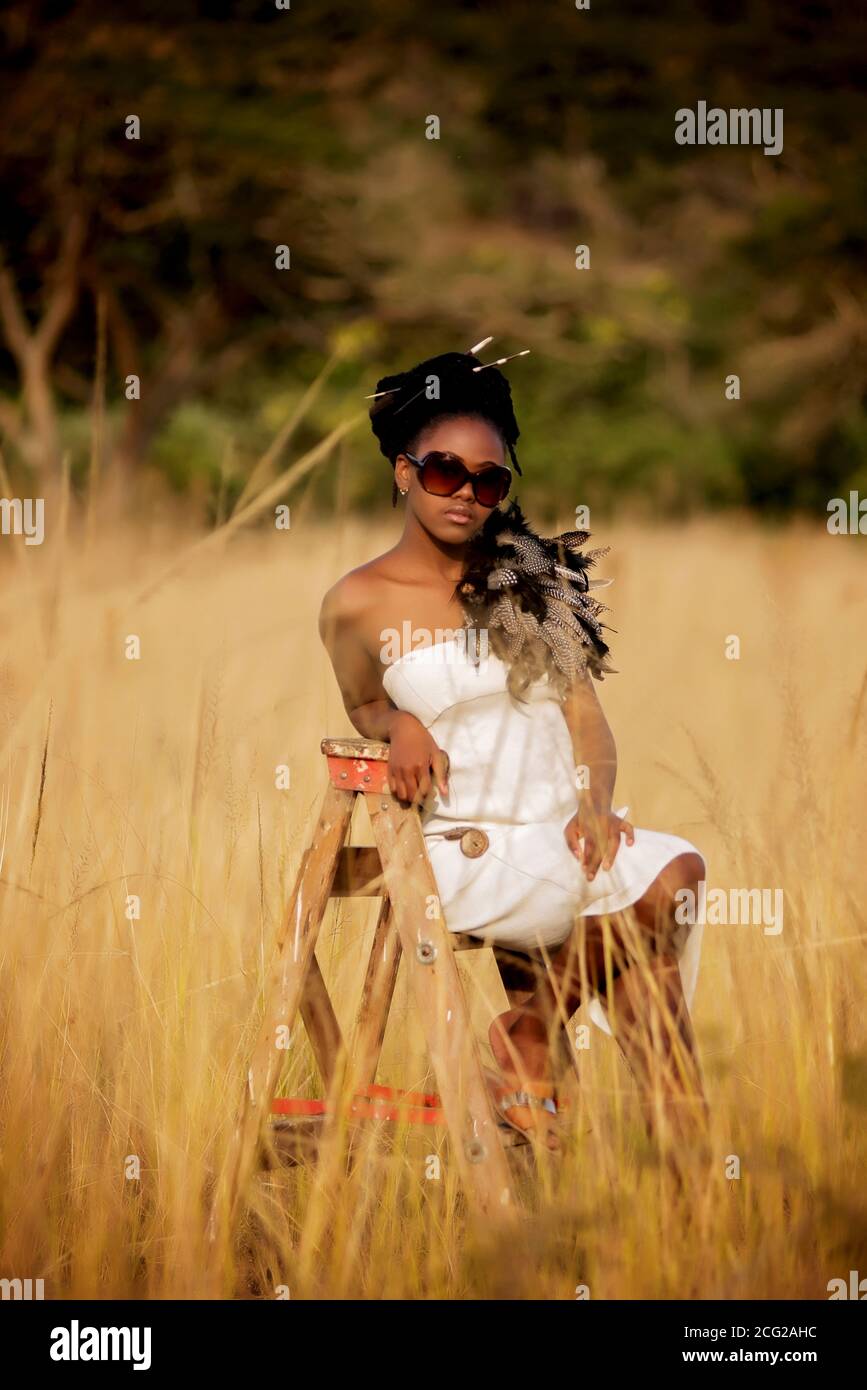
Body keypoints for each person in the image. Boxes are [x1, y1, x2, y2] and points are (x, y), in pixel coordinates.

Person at [318, 348, 708, 1158]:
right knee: (652, 938)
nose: (465, 493)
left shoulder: (532, 582)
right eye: (443, 472)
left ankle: (678, 1203)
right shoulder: (355, 603)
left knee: (672, 894)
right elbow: (361, 702)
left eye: (488, 481)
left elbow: (587, 719)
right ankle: (531, 1043)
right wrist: (399, 725)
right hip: (467, 844)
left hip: (564, 828)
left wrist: (596, 805)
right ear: (402, 473)